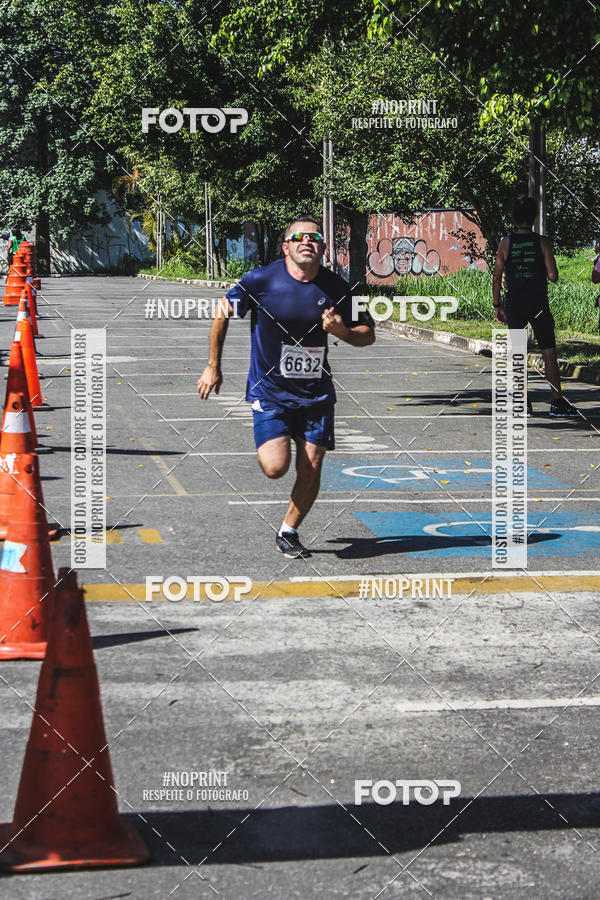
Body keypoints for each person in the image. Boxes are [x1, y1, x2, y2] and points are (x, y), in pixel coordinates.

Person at [197, 215, 375, 558]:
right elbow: (222, 312)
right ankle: (279, 441)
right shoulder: (261, 279)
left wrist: (341, 332)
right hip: (271, 392)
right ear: (286, 246)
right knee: (276, 467)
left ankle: (288, 531)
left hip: (316, 395)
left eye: (314, 237)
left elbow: (368, 335)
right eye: (299, 237)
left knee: (312, 465)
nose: (307, 241)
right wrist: (212, 366)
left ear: (323, 247)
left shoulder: (338, 288)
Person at [493, 196, 579, 418]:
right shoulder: (543, 242)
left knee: (519, 352)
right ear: (534, 217)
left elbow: (496, 277)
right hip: (538, 304)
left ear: (514, 217)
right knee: (548, 352)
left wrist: (497, 304)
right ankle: (557, 402)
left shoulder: (506, 242)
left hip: (514, 303)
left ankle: (522, 404)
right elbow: (553, 275)